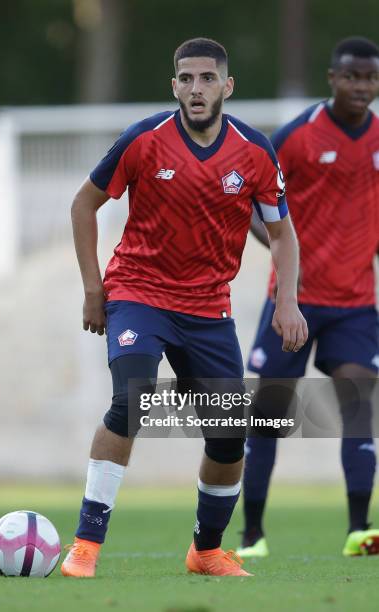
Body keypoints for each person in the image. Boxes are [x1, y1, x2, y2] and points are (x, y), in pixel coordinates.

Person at [61, 37, 307, 579]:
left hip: (207, 309)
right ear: (174, 85)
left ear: (227, 85)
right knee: (132, 398)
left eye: (207, 79)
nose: (196, 89)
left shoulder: (254, 151)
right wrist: (92, 290)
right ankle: (85, 546)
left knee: (228, 435)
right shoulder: (144, 140)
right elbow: (84, 204)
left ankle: (206, 551)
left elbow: (283, 235)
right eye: (186, 79)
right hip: (138, 294)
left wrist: (287, 301)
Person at [238, 36, 379, 559]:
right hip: (294, 301)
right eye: (351, 76)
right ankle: (252, 535)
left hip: (356, 303)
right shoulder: (297, 136)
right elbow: (252, 198)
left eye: (369, 77)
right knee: (268, 415)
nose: (361, 86)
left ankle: (359, 531)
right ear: (332, 78)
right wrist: (279, 252)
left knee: (362, 406)